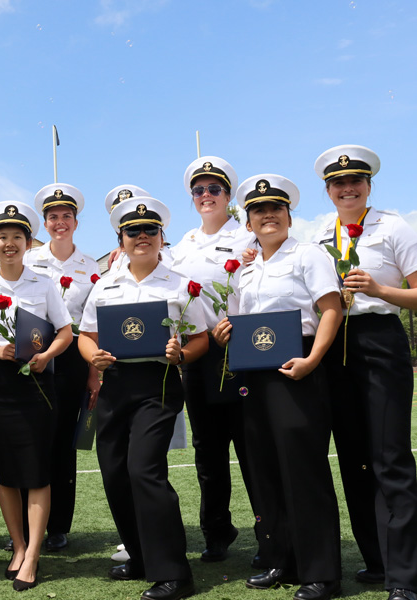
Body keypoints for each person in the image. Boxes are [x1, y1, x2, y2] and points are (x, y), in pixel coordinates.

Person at [213, 174, 343, 600]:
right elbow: (243, 322)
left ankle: (320, 571)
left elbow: (330, 309)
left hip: (298, 368)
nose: (267, 215)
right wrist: (226, 332)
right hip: (255, 374)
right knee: (265, 467)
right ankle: (278, 560)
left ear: (289, 215)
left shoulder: (309, 255)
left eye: (275, 209)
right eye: (258, 210)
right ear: (248, 222)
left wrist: (313, 359)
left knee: (302, 470)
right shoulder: (248, 269)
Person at [78, 197, 206, 600]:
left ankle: (174, 572)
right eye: (134, 231)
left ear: (161, 237)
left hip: (159, 383)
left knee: (144, 470)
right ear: (121, 239)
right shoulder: (105, 284)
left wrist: (182, 354)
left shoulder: (180, 284)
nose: (143, 237)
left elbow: (199, 337)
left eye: (150, 230)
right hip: (115, 383)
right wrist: (92, 357)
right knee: (115, 473)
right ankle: (139, 556)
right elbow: (86, 335)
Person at [312, 145, 417, 600]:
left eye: (355, 181)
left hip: (380, 338)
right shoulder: (318, 231)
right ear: (328, 190)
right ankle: (376, 561)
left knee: (390, 458)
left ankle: (405, 577)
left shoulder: (393, 226)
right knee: (354, 459)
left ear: (369, 185)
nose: (346, 188)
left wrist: (380, 289)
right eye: (338, 183)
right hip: (334, 343)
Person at [0, 201, 73, 592]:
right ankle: (19, 544)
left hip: (37, 385)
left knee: (37, 470)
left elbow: (65, 331)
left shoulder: (44, 283)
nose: (10, 244)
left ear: (28, 243)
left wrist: (46, 354)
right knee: (7, 471)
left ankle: (33, 555)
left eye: (17, 237)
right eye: (3, 237)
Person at [169, 156, 258, 563]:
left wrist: (237, 323)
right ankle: (216, 532)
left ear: (228, 196)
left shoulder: (248, 238)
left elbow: (261, 288)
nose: (206, 196)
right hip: (199, 354)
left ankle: (269, 530)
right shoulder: (182, 245)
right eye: (199, 190)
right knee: (207, 448)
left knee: (251, 445)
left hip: (239, 351)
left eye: (214, 189)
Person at [23, 183, 100, 552]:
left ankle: (58, 526)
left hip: (73, 357)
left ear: (76, 221)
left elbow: (93, 321)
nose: (60, 222)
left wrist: (92, 371)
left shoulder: (91, 266)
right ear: (44, 222)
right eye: (53, 217)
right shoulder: (29, 261)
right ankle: (26, 524)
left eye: (66, 216)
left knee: (64, 442)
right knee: (33, 437)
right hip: (35, 352)